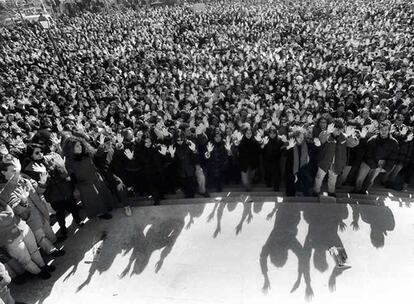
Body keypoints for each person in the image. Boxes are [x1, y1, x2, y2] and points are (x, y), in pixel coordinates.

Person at [63, 137, 114, 220]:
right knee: (93, 199)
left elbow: (98, 154)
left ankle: (107, 207)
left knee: (103, 193)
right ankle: (101, 213)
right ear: (71, 149)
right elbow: (68, 175)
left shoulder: (86, 153)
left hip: (95, 177)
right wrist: (63, 169)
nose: (80, 147)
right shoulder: (69, 161)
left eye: (80, 145)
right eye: (77, 146)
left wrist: (101, 145)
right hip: (85, 184)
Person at [313, 118, 359, 197]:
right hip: (325, 161)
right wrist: (327, 132)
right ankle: (315, 192)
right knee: (319, 177)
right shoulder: (325, 133)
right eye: (336, 129)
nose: (338, 131)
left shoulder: (344, 136)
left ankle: (331, 192)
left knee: (333, 178)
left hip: (337, 163)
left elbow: (353, 144)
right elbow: (322, 139)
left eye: (340, 129)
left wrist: (350, 136)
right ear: (332, 127)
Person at [353, 121, 399, 193]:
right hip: (367, 161)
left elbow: (393, 157)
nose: (384, 131)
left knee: (371, 180)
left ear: (389, 130)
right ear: (379, 130)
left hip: (380, 163)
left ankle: (364, 191)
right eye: (382, 130)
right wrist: (373, 165)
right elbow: (368, 153)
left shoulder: (394, 142)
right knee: (360, 178)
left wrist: (386, 167)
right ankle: (357, 190)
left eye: (386, 130)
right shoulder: (373, 139)